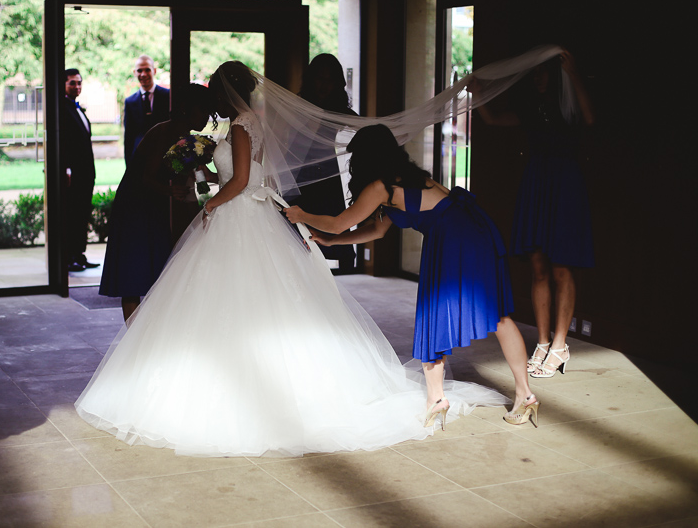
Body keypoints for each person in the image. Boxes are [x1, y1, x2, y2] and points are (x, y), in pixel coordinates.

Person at [75, 62, 508, 457]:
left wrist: (209, 206)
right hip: (249, 213)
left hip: (238, 215)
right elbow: (241, 174)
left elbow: (241, 181)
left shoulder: (241, 127)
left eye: (216, 88)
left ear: (228, 91)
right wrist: (203, 169)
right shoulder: (243, 127)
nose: (212, 94)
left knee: (227, 298)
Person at [285, 124, 539, 428]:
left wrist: (301, 216)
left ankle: (436, 400)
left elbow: (340, 223)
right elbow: (376, 230)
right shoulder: (405, 179)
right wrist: (330, 241)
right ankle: (524, 395)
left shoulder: (381, 186)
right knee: (498, 316)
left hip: (453, 238)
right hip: (472, 231)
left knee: (435, 313)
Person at [471, 49, 595, 379]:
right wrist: (478, 95)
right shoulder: (531, 108)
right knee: (538, 266)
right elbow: (492, 119)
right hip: (537, 185)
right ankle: (541, 342)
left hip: (565, 186)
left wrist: (574, 75)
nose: (538, 78)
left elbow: (591, 118)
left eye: (543, 73)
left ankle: (559, 344)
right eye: (535, 74)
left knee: (561, 268)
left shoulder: (568, 108)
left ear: (557, 76)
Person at [99, 84, 216, 322]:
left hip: (154, 204)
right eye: (202, 110)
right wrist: (170, 190)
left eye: (209, 110)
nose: (207, 116)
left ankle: (149, 332)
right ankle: (133, 337)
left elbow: (196, 175)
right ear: (186, 109)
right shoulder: (166, 131)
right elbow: (146, 176)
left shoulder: (188, 140)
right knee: (132, 274)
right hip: (135, 206)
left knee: (156, 269)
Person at [290, 54, 357, 272]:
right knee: (295, 240)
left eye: (330, 80)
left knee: (333, 234)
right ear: (311, 80)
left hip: (327, 177)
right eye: (320, 78)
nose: (324, 85)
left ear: (338, 83)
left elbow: (366, 129)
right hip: (298, 177)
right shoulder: (296, 108)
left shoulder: (339, 111)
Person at [60, 68, 100, 272]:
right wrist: (65, 167)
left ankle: (80, 254)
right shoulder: (61, 109)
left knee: (83, 213)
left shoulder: (78, 108)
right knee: (72, 214)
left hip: (86, 172)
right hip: (73, 173)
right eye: (72, 83)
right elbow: (63, 142)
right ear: (64, 85)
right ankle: (70, 256)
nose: (77, 87)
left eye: (79, 83)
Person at [124, 55, 171, 167]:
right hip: (140, 161)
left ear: (154, 71)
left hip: (164, 159)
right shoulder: (130, 102)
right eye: (139, 71)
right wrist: (129, 165)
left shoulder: (168, 96)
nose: (143, 74)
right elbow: (129, 137)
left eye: (147, 70)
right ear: (134, 72)